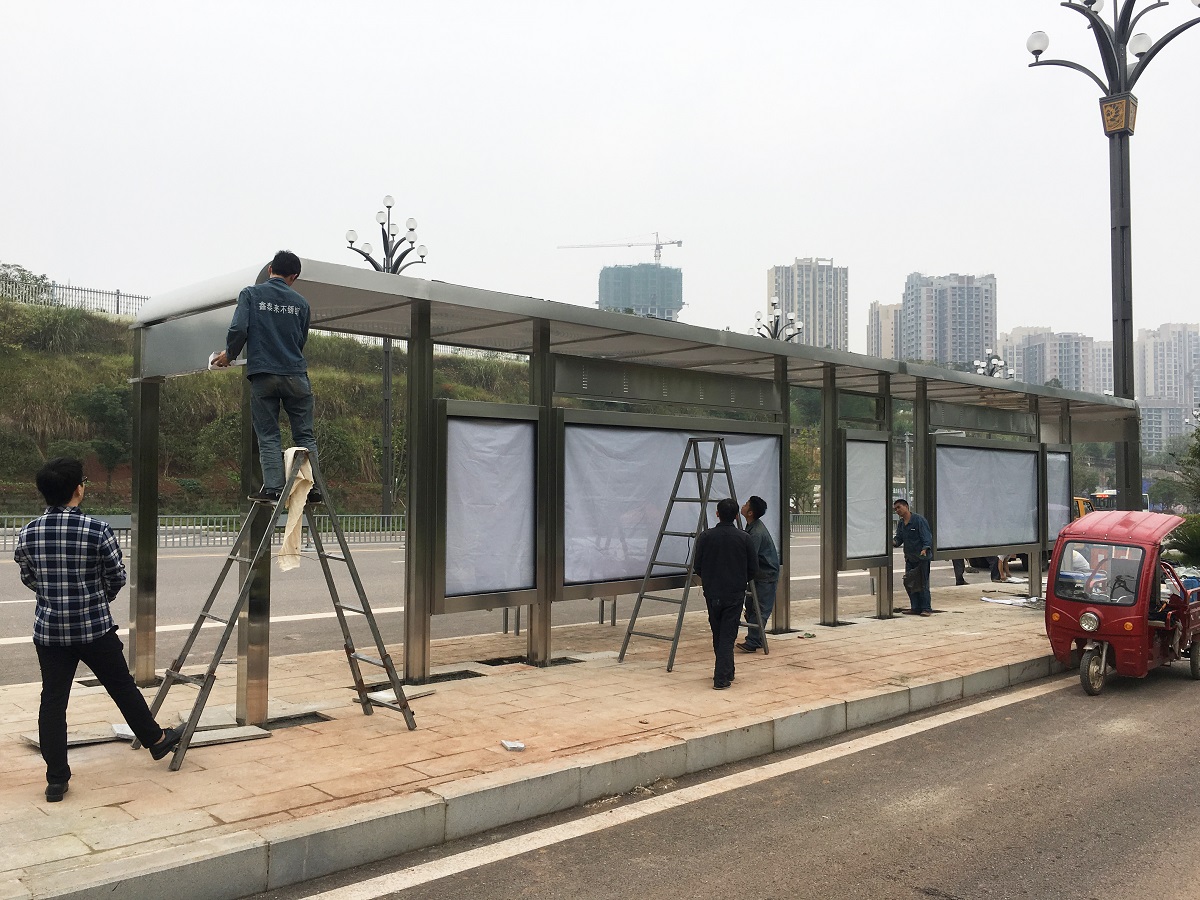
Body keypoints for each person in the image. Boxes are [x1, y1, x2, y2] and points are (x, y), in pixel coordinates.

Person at [14, 458, 184, 802]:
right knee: (121, 686)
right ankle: (156, 740)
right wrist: (97, 598)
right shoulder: (97, 529)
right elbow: (116, 576)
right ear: (78, 490)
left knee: (53, 701)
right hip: (94, 628)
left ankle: (56, 779)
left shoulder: (28, 532)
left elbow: (28, 575)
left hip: (50, 632)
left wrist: (52, 595)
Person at [213, 250, 320, 504]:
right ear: (294, 277)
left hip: (264, 375)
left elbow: (238, 328)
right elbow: (300, 339)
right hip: (296, 375)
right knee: (305, 436)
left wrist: (229, 355)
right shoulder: (302, 304)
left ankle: (273, 489)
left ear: (271, 269)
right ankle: (313, 488)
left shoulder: (251, 294)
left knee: (269, 434)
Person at [692, 498, 757, 690]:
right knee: (728, 634)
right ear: (736, 516)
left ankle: (727, 670)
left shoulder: (705, 537)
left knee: (718, 631)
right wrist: (740, 580)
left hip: (712, 592)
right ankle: (721, 677)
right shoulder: (744, 538)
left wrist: (710, 580)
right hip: (734, 592)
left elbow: (698, 566)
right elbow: (753, 568)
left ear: (717, 514)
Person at [737, 495, 779, 654]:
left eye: (746, 504)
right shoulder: (752, 526)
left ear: (750, 513)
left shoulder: (756, 532)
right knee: (750, 607)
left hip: (766, 575)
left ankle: (753, 641)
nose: (743, 505)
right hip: (759, 574)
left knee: (759, 609)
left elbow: (749, 555)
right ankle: (757, 638)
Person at [893, 498, 933, 616]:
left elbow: (927, 536)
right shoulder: (901, 523)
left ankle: (926, 608)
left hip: (921, 558)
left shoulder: (919, 520)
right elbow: (899, 539)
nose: (897, 510)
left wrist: (925, 548)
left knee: (922, 583)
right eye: (895, 509)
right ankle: (915, 607)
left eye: (899, 507)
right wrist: (893, 542)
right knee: (910, 582)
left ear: (906, 506)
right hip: (909, 558)